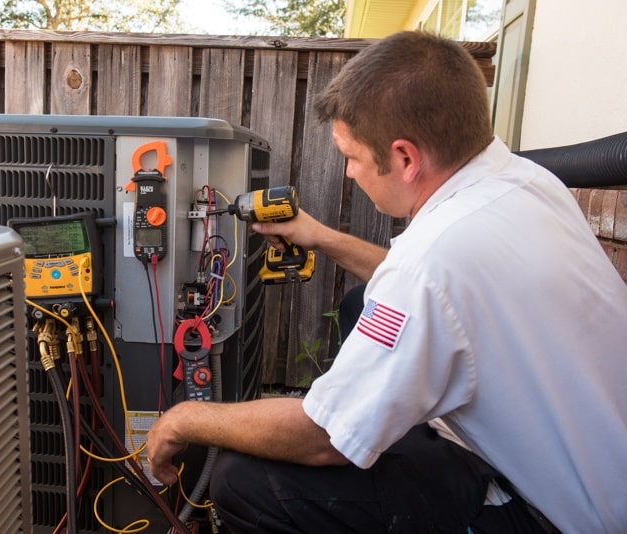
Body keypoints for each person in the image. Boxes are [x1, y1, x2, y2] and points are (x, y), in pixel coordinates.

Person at [146, 31, 627, 533]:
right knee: (362, 303)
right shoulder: (526, 181)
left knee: (244, 481)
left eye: (351, 156)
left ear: (405, 158)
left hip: (553, 515)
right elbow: (434, 291)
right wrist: (323, 237)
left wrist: (185, 419)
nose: (349, 173)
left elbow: (322, 438)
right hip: (590, 465)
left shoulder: (433, 257)